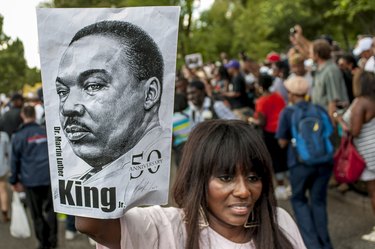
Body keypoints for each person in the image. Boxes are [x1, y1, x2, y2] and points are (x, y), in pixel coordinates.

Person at [75, 119, 306, 249]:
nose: (244, 191)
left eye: (253, 178)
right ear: (198, 179)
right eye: (226, 178)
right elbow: (91, 224)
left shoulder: (279, 220)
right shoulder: (167, 228)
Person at [55, 20, 167, 182]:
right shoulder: (86, 181)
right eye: (62, 91)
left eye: (93, 85)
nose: (67, 107)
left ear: (150, 93)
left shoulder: (179, 174)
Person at [276, 76, 333, 249]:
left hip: (299, 164)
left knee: (299, 200)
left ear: (291, 94)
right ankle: (326, 243)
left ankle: (311, 244)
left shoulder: (287, 113)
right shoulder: (318, 109)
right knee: (318, 201)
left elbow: (282, 142)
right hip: (323, 163)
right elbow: (329, 131)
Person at [9, 106, 57, 249]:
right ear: (35, 114)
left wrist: (14, 181)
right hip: (49, 178)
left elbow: (14, 161)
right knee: (50, 211)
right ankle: (53, 241)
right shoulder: (45, 131)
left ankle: (43, 243)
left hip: (31, 180)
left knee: (36, 214)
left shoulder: (19, 136)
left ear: (23, 115)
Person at [340, 72, 375, 242]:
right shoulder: (372, 99)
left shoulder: (361, 103)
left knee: (374, 192)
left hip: (369, 154)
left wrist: (339, 120)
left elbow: (354, 131)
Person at [249, 74, 289, 200]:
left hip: (270, 134)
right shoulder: (278, 96)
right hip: (283, 130)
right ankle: (291, 184)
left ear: (260, 86)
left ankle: (281, 187)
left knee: (275, 160)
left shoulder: (261, 101)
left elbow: (261, 121)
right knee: (285, 158)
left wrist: (250, 119)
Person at [310, 39, 349, 122]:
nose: (309, 55)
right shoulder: (320, 69)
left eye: (311, 52)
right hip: (322, 117)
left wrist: (331, 123)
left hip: (331, 120)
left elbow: (334, 100)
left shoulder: (331, 70)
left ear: (317, 54)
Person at [0, 131, 10, 222]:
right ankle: (4, 213)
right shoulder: (3, 135)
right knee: (3, 191)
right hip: (1, 167)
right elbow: (9, 152)